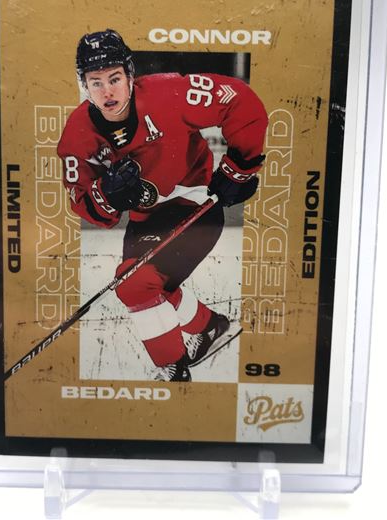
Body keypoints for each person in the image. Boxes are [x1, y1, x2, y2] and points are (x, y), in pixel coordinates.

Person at [57, 29, 268, 381]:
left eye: (114, 78)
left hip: (195, 204)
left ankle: (173, 369)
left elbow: (240, 100)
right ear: (84, 85)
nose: (107, 92)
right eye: (96, 82)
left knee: (134, 284)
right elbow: (83, 200)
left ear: (130, 74)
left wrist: (240, 167)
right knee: (148, 287)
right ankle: (209, 326)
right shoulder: (77, 133)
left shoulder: (169, 93)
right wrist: (106, 195)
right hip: (145, 219)